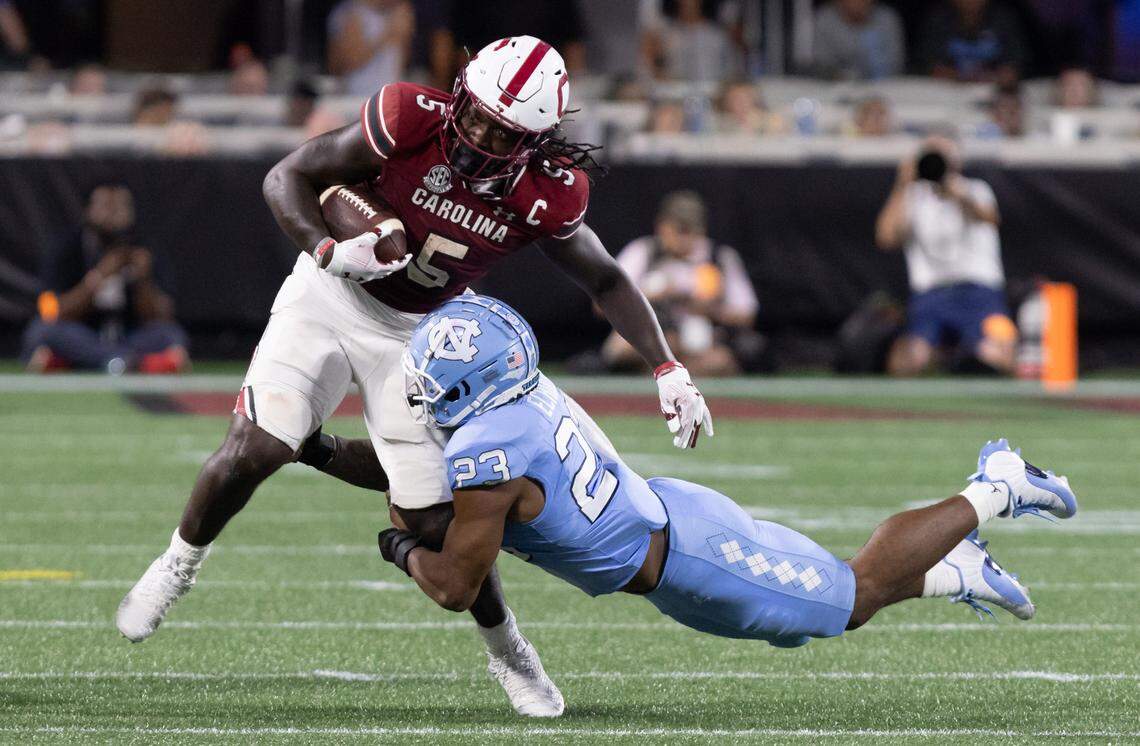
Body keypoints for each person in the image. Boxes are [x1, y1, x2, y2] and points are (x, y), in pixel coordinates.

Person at [115, 36, 712, 719]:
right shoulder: (407, 116)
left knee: (437, 520)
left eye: (503, 130)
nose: (481, 135)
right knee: (257, 446)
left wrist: (666, 365)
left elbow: (604, 277)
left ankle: (508, 650)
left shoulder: (546, 192)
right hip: (327, 295)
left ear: (537, 139)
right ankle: (177, 564)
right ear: (461, 92)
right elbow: (286, 176)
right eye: (479, 114)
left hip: (419, 334)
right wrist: (328, 248)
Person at [378, 295, 1077, 706]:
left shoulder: (488, 454)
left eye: (432, 379)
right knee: (813, 620)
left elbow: (453, 585)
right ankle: (957, 571)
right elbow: (437, 486)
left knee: (852, 596)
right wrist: (317, 451)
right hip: (667, 553)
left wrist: (400, 544)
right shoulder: (515, 408)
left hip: (694, 554)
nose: (420, 392)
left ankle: (996, 487)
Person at [875, 137, 1017, 376]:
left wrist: (957, 194)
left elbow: (990, 218)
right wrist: (902, 184)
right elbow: (886, 238)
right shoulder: (913, 197)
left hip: (979, 293)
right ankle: (945, 359)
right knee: (906, 362)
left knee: (1001, 353)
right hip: (932, 295)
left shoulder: (974, 189)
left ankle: (969, 359)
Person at [22, 184, 189, 375]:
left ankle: (86, 362)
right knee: (42, 331)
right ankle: (131, 362)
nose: (113, 215)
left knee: (171, 334)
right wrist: (98, 278)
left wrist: (144, 280)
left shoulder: (145, 250)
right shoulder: (67, 249)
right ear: (88, 210)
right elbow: (49, 310)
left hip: (129, 333)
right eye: (106, 206)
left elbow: (163, 314)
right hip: (83, 333)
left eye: (120, 207)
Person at [603, 191, 759, 377]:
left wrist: (707, 309)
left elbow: (746, 314)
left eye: (689, 231)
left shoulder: (719, 258)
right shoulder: (644, 252)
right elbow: (601, 303)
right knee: (622, 349)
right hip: (652, 336)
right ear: (661, 226)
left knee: (719, 361)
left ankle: (670, 381)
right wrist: (649, 296)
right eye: (678, 230)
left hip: (701, 343)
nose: (683, 239)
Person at [920, 0, 1028, 84]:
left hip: (992, 89)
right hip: (948, 89)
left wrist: (996, 77)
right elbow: (931, 66)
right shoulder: (938, 19)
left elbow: (1014, 65)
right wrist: (963, 77)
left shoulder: (1004, 18)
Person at [327, 0, 414, 97]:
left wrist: (404, 36)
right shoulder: (351, 12)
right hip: (355, 97)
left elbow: (402, 63)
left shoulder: (397, 13)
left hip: (388, 97)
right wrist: (387, 34)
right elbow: (348, 62)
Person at [812, 0, 905, 80]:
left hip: (884, 86)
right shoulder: (825, 19)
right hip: (836, 87)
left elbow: (895, 64)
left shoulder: (887, 19)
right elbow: (822, 64)